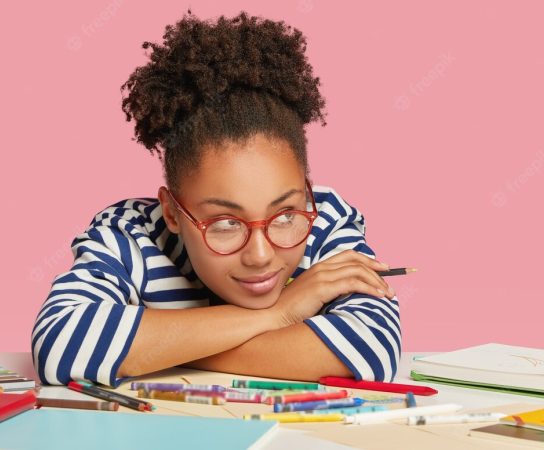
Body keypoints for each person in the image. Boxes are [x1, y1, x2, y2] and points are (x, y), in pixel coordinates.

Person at [31, 10, 401, 387]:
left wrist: (158, 349)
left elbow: (371, 348)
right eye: (225, 224)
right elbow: (61, 342)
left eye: (285, 214)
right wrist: (278, 315)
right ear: (173, 211)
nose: (260, 255)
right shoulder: (130, 237)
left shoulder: (323, 224)